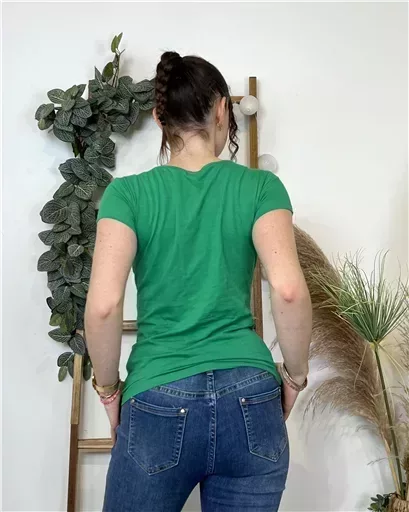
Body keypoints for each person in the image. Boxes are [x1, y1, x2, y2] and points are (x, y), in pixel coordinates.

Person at [85, 51, 312, 512]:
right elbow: (289, 291)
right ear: (223, 109)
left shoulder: (127, 195)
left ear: (159, 118)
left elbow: (104, 306)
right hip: (251, 393)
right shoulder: (261, 188)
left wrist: (108, 392)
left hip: (159, 392)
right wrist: (293, 376)